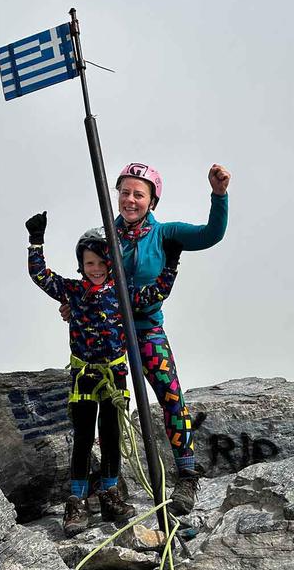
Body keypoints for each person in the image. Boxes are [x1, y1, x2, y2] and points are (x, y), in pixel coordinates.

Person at [64, 162, 230, 515]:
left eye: (138, 194)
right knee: (109, 407)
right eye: (124, 192)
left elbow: (210, 235)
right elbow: (89, 279)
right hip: (107, 334)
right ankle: (108, 484)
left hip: (146, 330)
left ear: (152, 200)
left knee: (170, 395)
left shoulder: (165, 234)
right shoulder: (105, 236)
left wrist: (219, 195)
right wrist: (73, 305)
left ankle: (186, 473)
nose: (130, 200)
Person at [27, 212, 183, 537]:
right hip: (84, 375)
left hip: (115, 376)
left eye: (101, 262)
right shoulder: (72, 292)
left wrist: (172, 261)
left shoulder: (123, 294)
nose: (95, 269)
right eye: (89, 264)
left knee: (111, 434)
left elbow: (156, 293)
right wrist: (36, 242)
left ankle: (110, 494)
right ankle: (77, 500)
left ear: (111, 263)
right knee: (83, 438)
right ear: (81, 265)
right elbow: (41, 275)